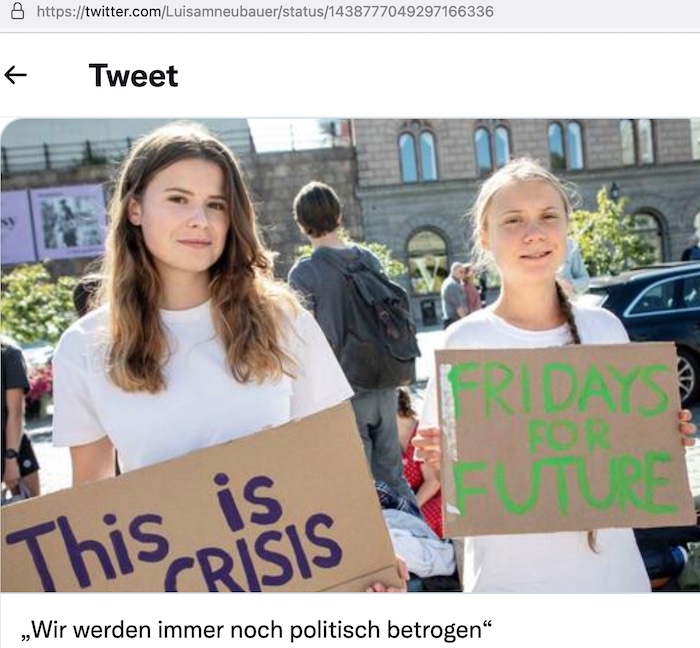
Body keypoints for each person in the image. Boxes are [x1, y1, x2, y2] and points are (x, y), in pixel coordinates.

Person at [51, 123, 404, 591]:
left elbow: (335, 464)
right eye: (178, 199)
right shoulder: (83, 347)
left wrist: (370, 559)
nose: (201, 219)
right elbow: (91, 506)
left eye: (216, 205)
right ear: (134, 208)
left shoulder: (283, 319)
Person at [412, 157, 697, 593]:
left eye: (549, 216)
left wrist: (659, 438)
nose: (534, 232)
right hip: (509, 585)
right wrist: (440, 462)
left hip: (611, 580)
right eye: (513, 220)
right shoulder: (462, 343)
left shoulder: (605, 329)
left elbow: (626, 460)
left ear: (567, 227)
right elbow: (447, 485)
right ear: (485, 237)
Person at [288, 181, 417, 506]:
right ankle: (420, 540)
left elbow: (303, 340)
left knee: (360, 482)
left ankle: (383, 552)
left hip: (341, 386)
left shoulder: (304, 274)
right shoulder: (369, 259)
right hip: (385, 379)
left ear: (302, 224)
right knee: (393, 474)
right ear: (339, 215)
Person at [396, 387, 443, 537]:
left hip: (432, 498)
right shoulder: (388, 441)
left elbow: (433, 482)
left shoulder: (420, 432)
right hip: (412, 501)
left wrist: (410, 509)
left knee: (415, 528)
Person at [1, 337, 41, 499]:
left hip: (13, 447)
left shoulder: (8, 355)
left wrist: (10, 460)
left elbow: (15, 412)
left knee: (33, 515)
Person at [440, 262, 468, 328]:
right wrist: (466, 323)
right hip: (454, 321)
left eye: (463, 272)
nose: (463, 274)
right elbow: (459, 307)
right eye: (460, 272)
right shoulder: (452, 285)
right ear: (453, 271)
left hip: (453, 320)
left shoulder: (451, 282)